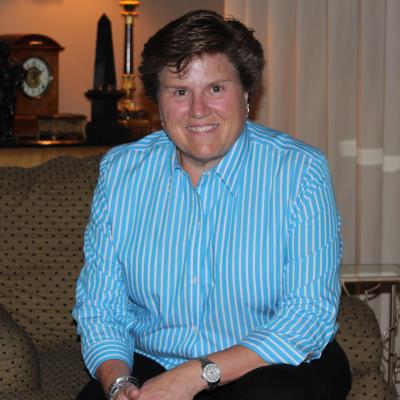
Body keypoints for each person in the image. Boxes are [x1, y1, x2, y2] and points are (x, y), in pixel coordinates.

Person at [73, 9, 351, 400]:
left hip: (272, 362)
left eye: (216, 88)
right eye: (180, 92)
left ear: (246, 94)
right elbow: (101, 307)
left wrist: (193, 376)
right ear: (158, 102)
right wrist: (120, 384)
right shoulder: (121, 173)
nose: (198, 110)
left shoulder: (300, 171)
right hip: (157, 358)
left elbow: (307, 315)